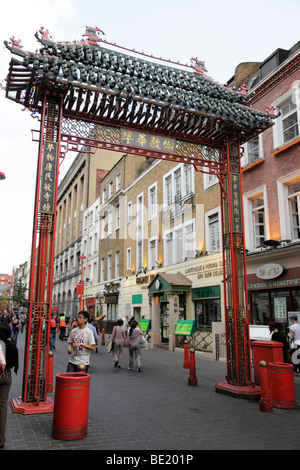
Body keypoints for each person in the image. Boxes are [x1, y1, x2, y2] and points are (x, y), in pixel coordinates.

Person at [0, 324, 19, 448]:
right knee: (2, 407)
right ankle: (1, 438)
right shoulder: (11, 345)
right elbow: (14, 363)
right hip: (6, 377)